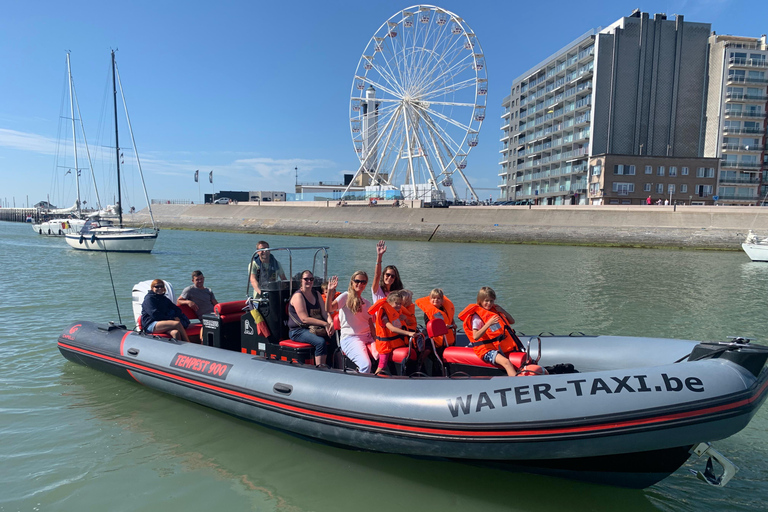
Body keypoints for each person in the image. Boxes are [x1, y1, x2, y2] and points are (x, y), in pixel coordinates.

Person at [457, 287, 520, 376]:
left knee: (520, 358)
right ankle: (516, 384)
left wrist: (503, 311)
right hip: (485, 350)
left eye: (491, 301)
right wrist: (488, 324)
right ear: (480, 301)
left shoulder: (494, 312)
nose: (489, 303)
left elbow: (512, 321)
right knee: (506, 363)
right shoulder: (477, 317)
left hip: (496, 346)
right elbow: (476, 336)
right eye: (486, 301)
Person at [326, 272, 376, 373]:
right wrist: (330, 291)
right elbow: (329, 308)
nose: (360, 284)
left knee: (385, 355)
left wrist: (377, 340)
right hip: (351, 338)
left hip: (368, 337)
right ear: (352, 282)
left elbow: (371, 325)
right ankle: (361, 386)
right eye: (357, 281)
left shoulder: (367, 303)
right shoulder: (346, 297)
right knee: (366, 365)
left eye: (363, 282)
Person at [288, 270, 334, 366]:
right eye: (306, 279)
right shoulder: (298, 296)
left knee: (336, 337)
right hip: (298, 331)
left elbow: (325, 312)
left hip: (315, 328)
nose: (309, 281)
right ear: (301, 280)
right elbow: (304, 319)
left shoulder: (316, 294)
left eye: (311, 279)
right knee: (320, 342)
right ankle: (320, 368)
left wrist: (331, 323)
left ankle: (336, 366)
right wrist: (325, 324)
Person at [369, 290, 417, 375]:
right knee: (382, 364)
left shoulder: (397, 312)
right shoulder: (384, 314)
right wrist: (408, 333)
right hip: (385, 345)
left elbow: (399, 322)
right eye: (396, 303)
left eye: (400, 303)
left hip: (395, 343)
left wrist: (404, 318)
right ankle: (375, 377)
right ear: (389, 302)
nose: (399, 305)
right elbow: (392, 329)